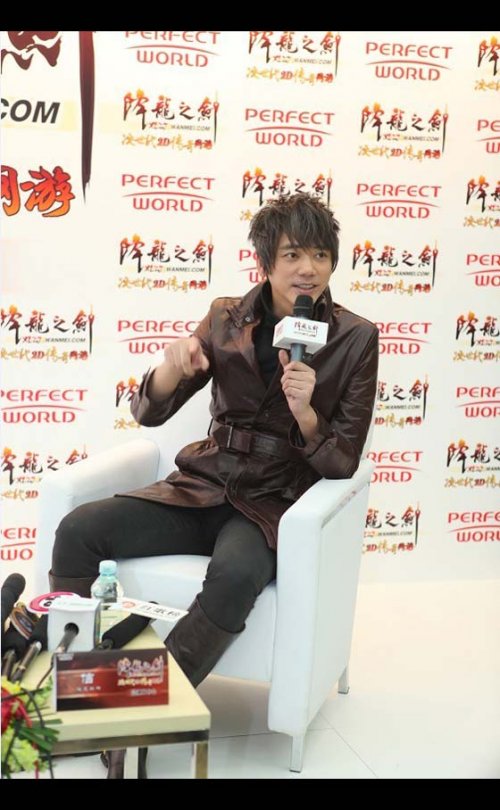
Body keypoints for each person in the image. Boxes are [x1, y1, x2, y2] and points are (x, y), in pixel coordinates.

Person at [49, 192, 378, 776]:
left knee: (234, 576)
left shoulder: (355, 338)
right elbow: (149, 412)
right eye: (293, 254)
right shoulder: (225, 316)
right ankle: (81, 694)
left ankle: (130, 712)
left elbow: (343, 460)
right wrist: (170, 368)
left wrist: (307, 415)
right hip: (202, 484)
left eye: (321, 256)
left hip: (271, 503)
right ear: (265, 262)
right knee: (78, 530)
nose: (308, 269)